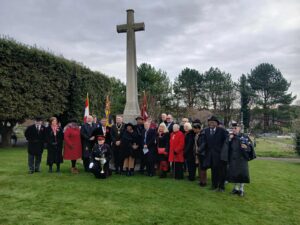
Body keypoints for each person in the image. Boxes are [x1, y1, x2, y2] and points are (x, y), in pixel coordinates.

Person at [199, 116, 228, 192]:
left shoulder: (222, 131)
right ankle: (214, 185)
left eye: (213, 122)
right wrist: (200, 149)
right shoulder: (207, 131)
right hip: (210, 155)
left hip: (220, 155)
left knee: (221, 172)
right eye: (210, 122)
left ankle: (221, 187)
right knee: (213, 171)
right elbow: (205, 142)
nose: (211, 123)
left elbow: (226, 142)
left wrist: (224, 153)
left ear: (216, 123)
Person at [228, 122, 255, 197]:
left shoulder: (244, 137)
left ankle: (241, 189)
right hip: (233, 159)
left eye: (235, 128)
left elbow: (251, 148)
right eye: (232, 128)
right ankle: (236, 188)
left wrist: (246, 147)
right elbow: (227, 147)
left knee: (242, 175)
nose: (233, 130)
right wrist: (229, 140)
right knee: (235, 174)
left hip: (242, 159)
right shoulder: (231, 137)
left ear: (239, 129)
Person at [192, 119, 206, 186]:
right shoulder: (197, 134)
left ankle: (203, 182)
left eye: (194, 129)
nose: (193, 130)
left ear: (198, 128)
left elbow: (204, 143)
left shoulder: (202, 134)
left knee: (203, 168)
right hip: (198, 153)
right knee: (200, 167)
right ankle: (201, 180)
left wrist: (199, 150)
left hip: (202, 153)